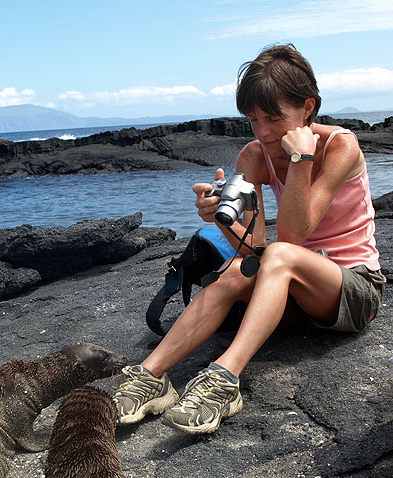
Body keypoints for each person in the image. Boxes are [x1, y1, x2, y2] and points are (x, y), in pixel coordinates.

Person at [114, 43, 385, 435]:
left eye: (274, 118)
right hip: (288, 289)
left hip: (351, 288)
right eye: (253, 120)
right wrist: (219, 217)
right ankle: (152, 377)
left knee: (282, 254)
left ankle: (224, 380)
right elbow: (255, 249)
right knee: (241, 269)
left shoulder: (340, 146)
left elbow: (292, 237)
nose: (264, 131)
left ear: (307, 108)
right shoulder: (254, 155)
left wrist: (300, 161)